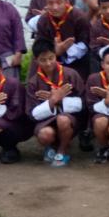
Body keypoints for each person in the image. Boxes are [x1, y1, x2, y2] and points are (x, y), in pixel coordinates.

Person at [26, 38, 85, 168]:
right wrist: (52, 101)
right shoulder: (33, 82)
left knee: (63, 120)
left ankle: (62, 151)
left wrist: (61, 100)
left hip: (69, 119)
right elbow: (32, 114)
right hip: (45, 121)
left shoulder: (71, 74)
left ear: (55, 55)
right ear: (36, 61)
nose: (48, 63)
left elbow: (83, 102)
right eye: (43, 60)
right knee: (45, 134)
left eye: (51, 58)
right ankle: (50, 147)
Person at [34, 0, 91, 77]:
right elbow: (41, 44)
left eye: (59, 2)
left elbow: (86, 43)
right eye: (50, 3)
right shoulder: (43, 20)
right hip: (51, 62)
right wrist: (55, 52)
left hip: (78, 62)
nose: (55, 7)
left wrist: (67, 51)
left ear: (67, 2)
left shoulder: (79, 17)